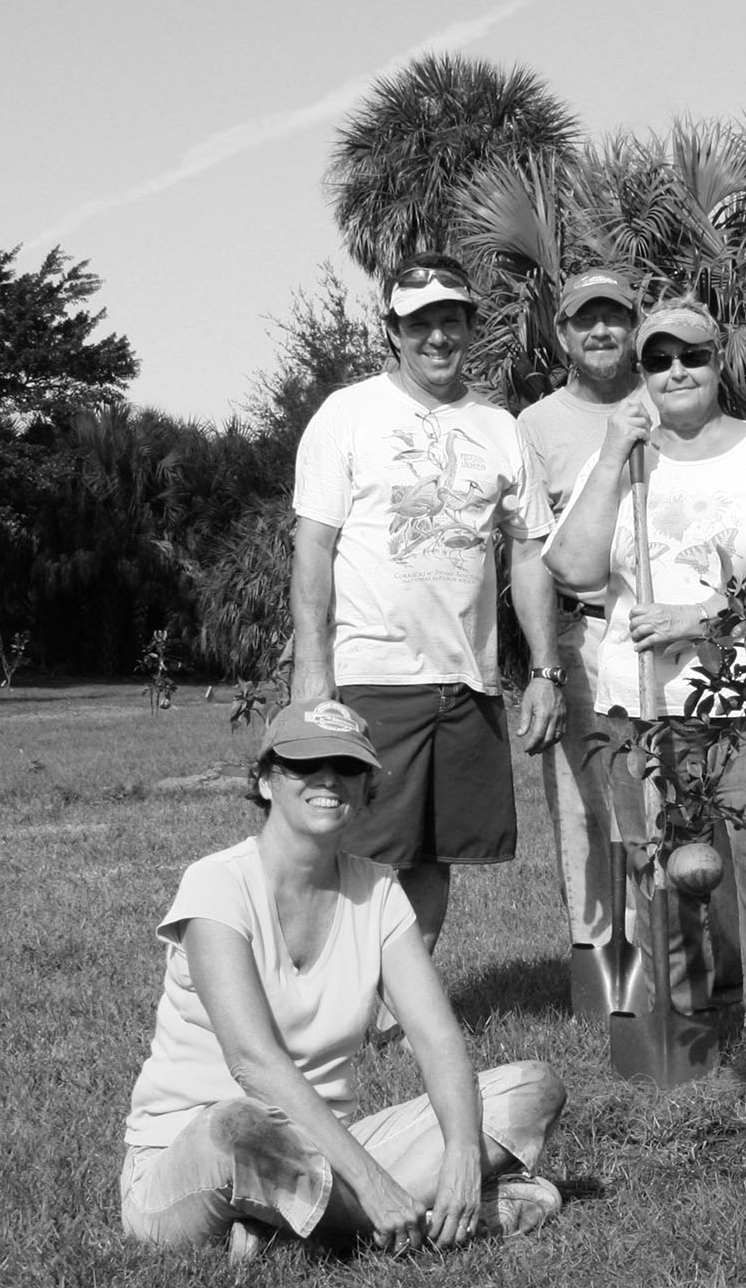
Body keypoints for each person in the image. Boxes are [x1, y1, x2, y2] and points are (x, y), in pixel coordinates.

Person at [119, 700, 566, 1260]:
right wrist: (374, 1184)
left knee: (531, 1090)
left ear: (366, 788)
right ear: (264, 782)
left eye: (347, 767)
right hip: (197, 1151)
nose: (328, 778)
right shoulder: (216, 885)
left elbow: (436, 1038)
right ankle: (377, 1223)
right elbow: (252, 1063)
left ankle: (294, 1226)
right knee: (239, 1128)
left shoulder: (378, 891)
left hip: (330, 1150)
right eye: (305, 765)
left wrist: (460, 1152)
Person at [545, 297, 746, 1045]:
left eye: (692, 355)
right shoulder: (622, 460)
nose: (677, 370)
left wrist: (699, 618)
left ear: (718, 362)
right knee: (662, 864)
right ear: (641, 374)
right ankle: (683, 1013)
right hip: (644, 699)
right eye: (659, 359)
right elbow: (574, 568)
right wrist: (612, 454)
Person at [291, 252, 564, 954]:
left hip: (466, 681)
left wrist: (543, 669)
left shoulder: (502, 428)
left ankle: (397, 1012)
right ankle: (332, 999)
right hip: (372, 675)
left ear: (470, 327)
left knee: (434, 853)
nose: (436, 337)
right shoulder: (346, 415)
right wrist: (313, 669)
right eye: (419, 324)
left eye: (450, 320)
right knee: (356, 849)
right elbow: (314, 548)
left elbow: (528, 553)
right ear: (393, 331)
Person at [515, 270, 648, 1005]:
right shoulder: (535, 426)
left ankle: (663, 953)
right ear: (562, 335)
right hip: (581, 634)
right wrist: (543, 665)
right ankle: (597, 962)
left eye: (615, 318)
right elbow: (530, 550)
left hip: (660, 633)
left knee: (659, 797)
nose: (601, 331)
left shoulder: (668, 400)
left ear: (635, 325)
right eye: (584, 320)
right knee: (582, 806)